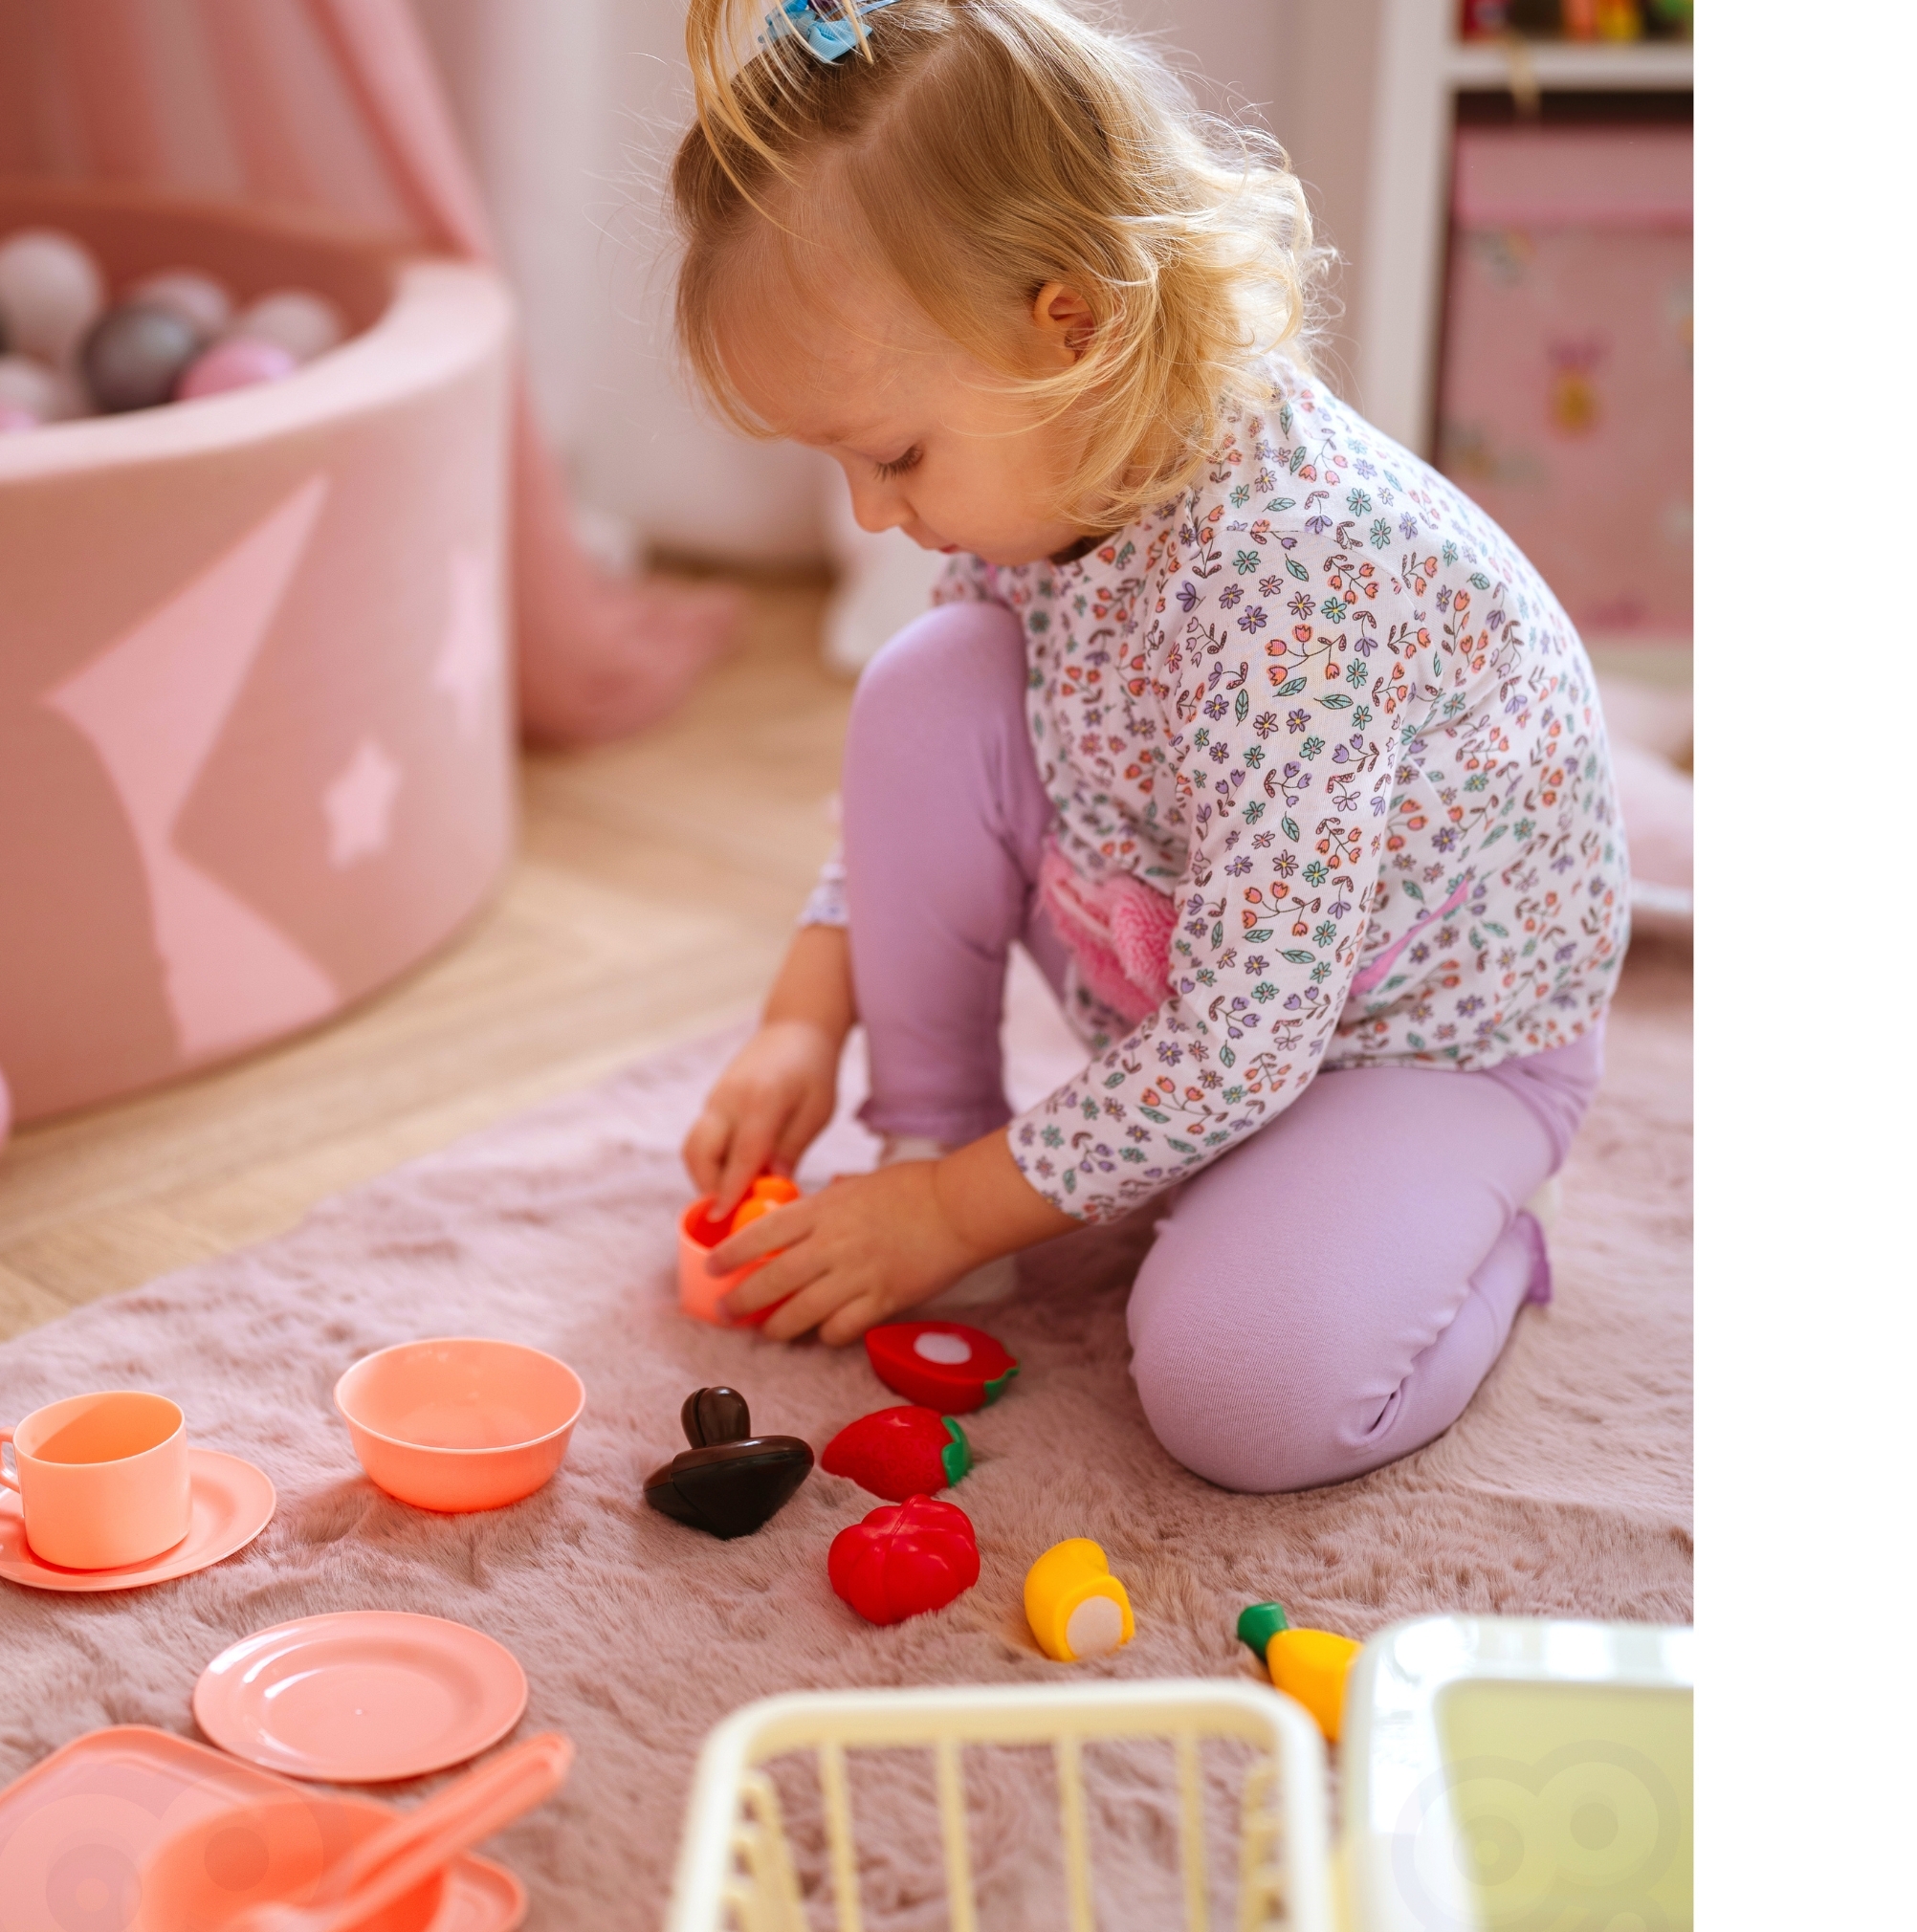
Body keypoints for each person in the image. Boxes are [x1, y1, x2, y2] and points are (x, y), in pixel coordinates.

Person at [671, 0, 1627, 1493]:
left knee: (1243, 1395)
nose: (871, 511)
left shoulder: (1299, 585)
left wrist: (953, 1218)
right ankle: (938, 1135)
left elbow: (1248, 1041)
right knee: (932, 680)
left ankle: (1484, 1239)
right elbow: (930, 773)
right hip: (1207, 980)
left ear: (1074, 328)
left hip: (1421, 1050)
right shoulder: (1060, 476)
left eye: (895, 454)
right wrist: (805, 1013)